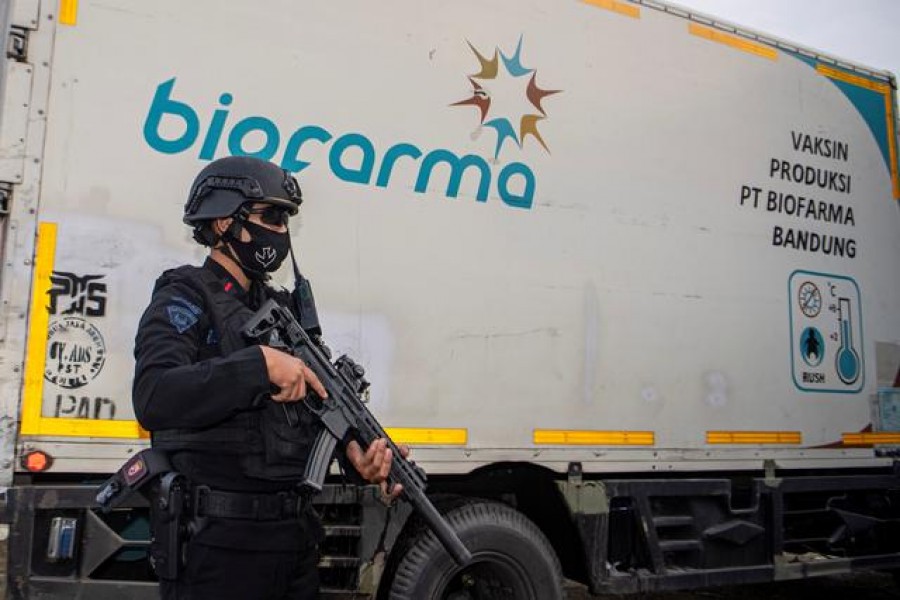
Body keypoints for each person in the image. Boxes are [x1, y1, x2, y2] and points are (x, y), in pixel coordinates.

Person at [132, 156, 402, 599]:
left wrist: (358, 456)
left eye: (286, 220)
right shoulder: (185, 295)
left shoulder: (285, 313)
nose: (280, 232)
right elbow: (155, 396)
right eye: (271, 216)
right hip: (219, 549)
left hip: (293, 543)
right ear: (224, 222)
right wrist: (259, 367)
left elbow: (320, 411)